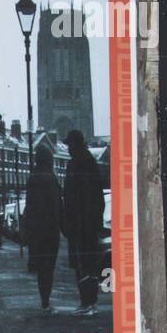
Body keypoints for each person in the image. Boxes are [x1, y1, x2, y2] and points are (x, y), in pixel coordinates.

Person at [62, 128, 105, 315]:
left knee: (83, 264)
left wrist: (77, 222)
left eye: (69, 144)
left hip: (81, 225)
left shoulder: (79, 164)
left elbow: (80, 198)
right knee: (86, 264)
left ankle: (88, 303)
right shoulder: (87, 162)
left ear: (75, 144)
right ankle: (88, 302)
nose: (68, 148)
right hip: (85, 224)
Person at [20, 142, 65, 314]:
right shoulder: (51, 178)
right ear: (50, 160)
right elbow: (56, 205)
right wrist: (61, 225)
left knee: (40, 268)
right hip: (49, 229)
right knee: (49, 267)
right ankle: (46, 302)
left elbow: (29, 205)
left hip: (35, 229)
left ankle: (44, 300)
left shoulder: (32, 177)